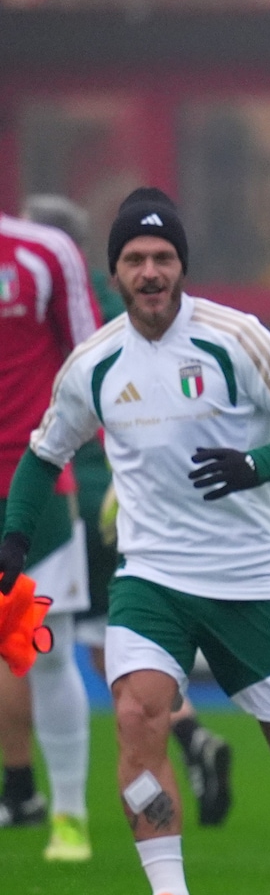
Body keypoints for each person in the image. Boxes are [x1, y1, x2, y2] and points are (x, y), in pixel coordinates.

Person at [0, 187, 270, 895]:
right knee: (136, 714)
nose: (150, 271)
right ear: (115, 272)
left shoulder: (237, 336)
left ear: (181, 265)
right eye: (135, 259)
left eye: (163, 257)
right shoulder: (93, 363)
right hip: (151, 576)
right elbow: (42, 456)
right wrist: (14, 541)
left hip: (250, 576)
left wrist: (257, 463)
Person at [22, 195, 233, 836]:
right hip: (123, 502)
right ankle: (191, 734)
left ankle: (35, 798)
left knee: (59, 652)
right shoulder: (126, 303)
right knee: (120, 650)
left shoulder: (70, 308)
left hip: (68, 495)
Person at [0, 201, 96, 859]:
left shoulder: (45, 253)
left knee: (41, 648)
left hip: (32, 484)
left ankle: (68, 813)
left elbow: (94, 360)